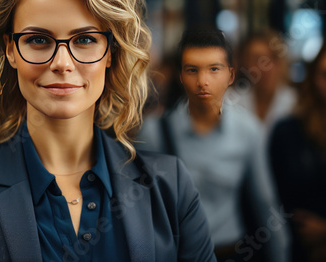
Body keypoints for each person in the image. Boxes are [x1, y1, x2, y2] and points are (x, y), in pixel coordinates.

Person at [0, 0, 216, 261]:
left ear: (110, 53)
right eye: (38, 40)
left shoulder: (171, 186)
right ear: (10, 50)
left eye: (86, 39)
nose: (62, 62)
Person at [137, 28, 289, 262]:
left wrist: (281, 255)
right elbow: (139, 208)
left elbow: (265, 204)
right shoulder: (156, 131)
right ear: (181, 76)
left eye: (214, 69)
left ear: (230, 76)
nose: (203, 82)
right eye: (192, 70)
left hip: (233, 251)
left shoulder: (247, 130)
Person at [269, 43, 326, 262]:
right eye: (324, 74)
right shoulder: (288, 131)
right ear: (312, 77)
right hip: (297, 246)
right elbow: (273, 198)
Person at [228, 30, 297, 136]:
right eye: (257, 60)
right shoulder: (231, 102)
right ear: (244, 63)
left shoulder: (297, 105)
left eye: (273, 58)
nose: (266, 67)